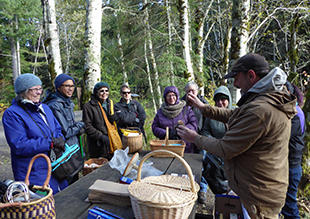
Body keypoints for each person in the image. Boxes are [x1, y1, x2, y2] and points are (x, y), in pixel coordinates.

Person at [176, 53, 297, 218]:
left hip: (259, 196)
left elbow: (226, 148)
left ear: (251, 75)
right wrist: (204, 108)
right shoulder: (265, 98)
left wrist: (195, 138)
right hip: (257, 188)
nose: (235, 83)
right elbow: (236, 114)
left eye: (236, 77)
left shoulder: (261, 109)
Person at [2, 73, 68, 195]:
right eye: (35, 89)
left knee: (62, 200)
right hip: (33, 172)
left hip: (55, 167)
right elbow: (19, 145)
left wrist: (60, 140)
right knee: (40, 208)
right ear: (23, 91)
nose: (39, 93)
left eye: (40, 89)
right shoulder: (12, 114)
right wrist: (50, 143)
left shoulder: (45, 108)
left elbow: (57, 129)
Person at [43, 73, 85, 184]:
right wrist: (81, 125)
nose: (70, 89)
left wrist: (78, 129)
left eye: (72, 86)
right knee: (68, 186)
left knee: (75, 182)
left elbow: (71, 127)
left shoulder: (67, 102)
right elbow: (66, 132)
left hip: (72, 151)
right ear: (58, 87)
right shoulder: (55, 105)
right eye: (67, 86)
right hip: (65, 155)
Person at [181, 81, 209, 203]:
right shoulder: (180, 104)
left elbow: (208, 122)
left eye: (193, 91)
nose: (191, 93)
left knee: (202, 164)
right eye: (188, 91)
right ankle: (187, 187)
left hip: (199, 139)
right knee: (185, 165)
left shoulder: (204, 104)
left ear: (197, 92)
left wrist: (201, 136)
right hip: (184, 141)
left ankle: (202, 190)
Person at [281, 82, 305, 219]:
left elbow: (283, 136)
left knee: (289, 208)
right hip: (288, 166)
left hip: (291, 167)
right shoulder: (292, 112)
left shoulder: (296, 114)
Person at [152, 86, 198, 153]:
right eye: (169, 96)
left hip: (185, 148)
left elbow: (194, 124)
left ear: (177, 96)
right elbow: (155, 127)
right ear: (165, 97)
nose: (171, 98)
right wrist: (166, 133)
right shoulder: (161, 111)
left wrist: (181, 131)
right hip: (166, 148)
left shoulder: (186, 108)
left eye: (173, 95)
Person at [83, 82, 118, 159]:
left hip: (111, 139)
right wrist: (100, 136)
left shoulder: (110, 104)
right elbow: (87, 126)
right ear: (96, 92)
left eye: (106, 90)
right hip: (97, 144)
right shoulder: (88, 106)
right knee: (100, 167)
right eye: (102, 91)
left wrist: (115, 118)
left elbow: (114, 122)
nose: (104, 93)